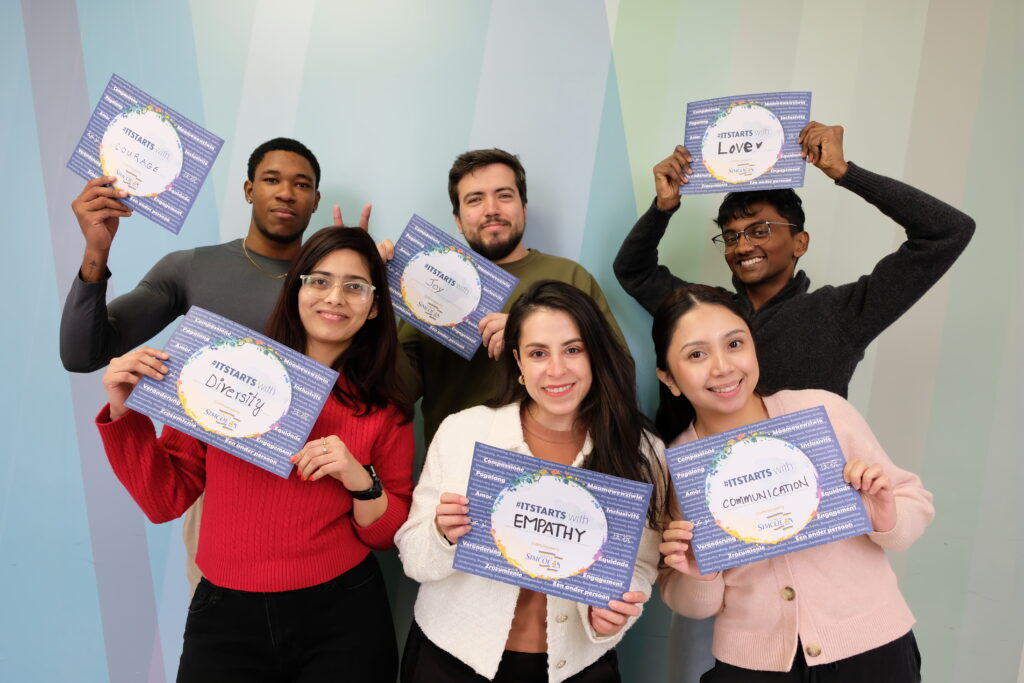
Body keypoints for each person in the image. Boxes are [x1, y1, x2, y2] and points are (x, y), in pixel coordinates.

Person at [95, 227, 413, 682]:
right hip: (225, 613)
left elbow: (386, 532)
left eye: (355, 286)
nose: (335, 298)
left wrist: (359, 478)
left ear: (375, 305)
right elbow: (164, 500)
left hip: (343, 614)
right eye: (319, 281)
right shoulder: (223, 372)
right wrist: (124, 409)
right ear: (295, 288)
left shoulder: (385, 408)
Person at [61, 137, 367, 591]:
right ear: (248, 190)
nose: (286, 192)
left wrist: (367, 278)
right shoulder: (191, 268)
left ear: (316, 200)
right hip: (217, 493)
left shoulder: (336, 289)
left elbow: (375, 383)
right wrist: (96, 252)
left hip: (316, 490)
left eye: (301, 184)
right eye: (271, 180)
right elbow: (82, 353)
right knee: (225, 641)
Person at [613, 122, 975, 438]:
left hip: (799, 501)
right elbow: (633, 270)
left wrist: (845, 172)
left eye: (759, 231)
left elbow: (946, 231)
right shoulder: (699, 309)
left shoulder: (840, 313)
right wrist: (663, 208)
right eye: (732, 235)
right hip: (688, 499)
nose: (742, 246)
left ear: (799, 242)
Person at [653, 284, 934, 682]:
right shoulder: (678, 468)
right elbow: (694, 604)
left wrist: (883, 513)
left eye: (734, 344)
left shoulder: (823, 411)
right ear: (669, 378)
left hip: (873, 650)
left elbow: (914, 505)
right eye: (696, 354)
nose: (722, 367)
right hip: (755, 665)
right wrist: (699, 573)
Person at [395, 281, 665, 683]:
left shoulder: (642, 450)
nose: (556, 370)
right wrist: (441, 535)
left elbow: (640, 564)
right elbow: (413, 559)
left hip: (577, 665)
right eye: (538, 353)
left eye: (573, 349)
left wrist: (614, 612)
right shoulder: (464, 432)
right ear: (518, 363)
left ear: (596, 355)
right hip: (452, 658)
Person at [396, 148, 624, 445]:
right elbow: (400, 392)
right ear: (458, 221)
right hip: (458, 461)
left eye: (504, 195)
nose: (491, 209)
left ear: (524, 209)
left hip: (563, 461)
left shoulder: (569, 276)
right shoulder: (425, 285)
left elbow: (619, 373)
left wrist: (527, 333)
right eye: (475, 199)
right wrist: (370, 310)